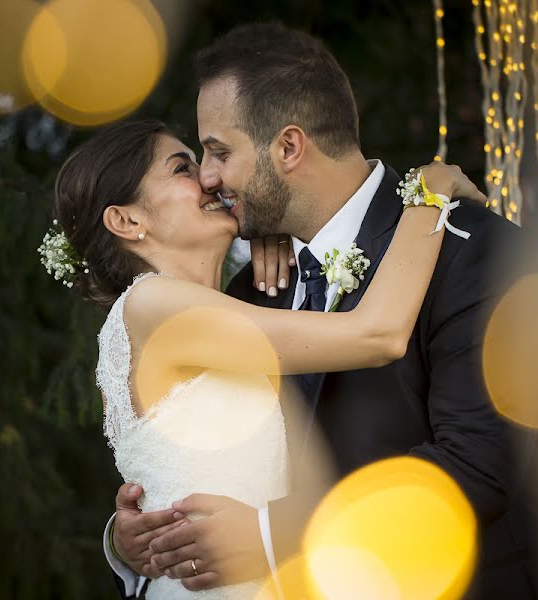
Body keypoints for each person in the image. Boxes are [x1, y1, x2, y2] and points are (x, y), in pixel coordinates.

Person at [97, 23, 538, 600]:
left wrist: (269, 535)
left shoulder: (472, 246)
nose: (208, 177)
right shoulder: (252, 291)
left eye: (219, 152)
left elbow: (479, 465)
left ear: (288, 147)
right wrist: (133, 540)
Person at [43, 113, 486, 597]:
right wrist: (426, 192)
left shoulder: (238, 302)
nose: (210, 179)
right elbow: (376, 333)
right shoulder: (155, 307)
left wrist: (273, 231)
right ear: (127, 220)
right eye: (182, 169)